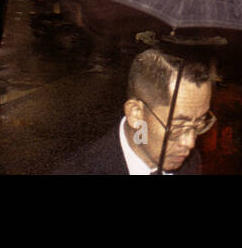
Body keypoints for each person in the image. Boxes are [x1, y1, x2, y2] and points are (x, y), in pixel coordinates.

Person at [53, 47, 215, 175]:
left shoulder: (189, 163)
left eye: (199, 123)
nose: (189, 143)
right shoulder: (79, 170)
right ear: (135, 113)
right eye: (178, 127)